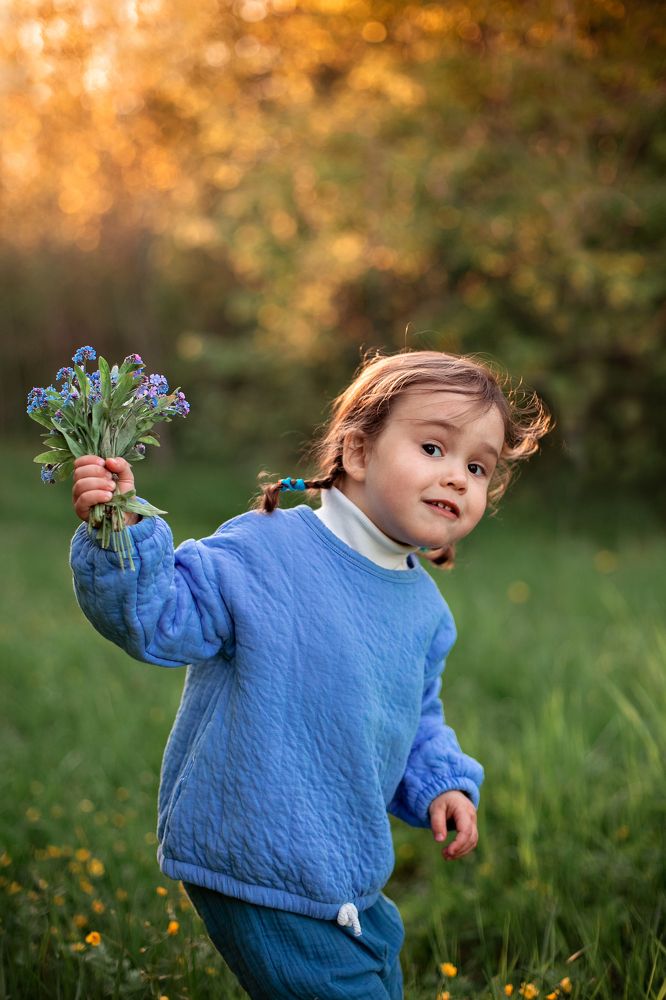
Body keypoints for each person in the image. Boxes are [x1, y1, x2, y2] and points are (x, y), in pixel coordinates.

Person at [69, 350, 551, 1000]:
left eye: (477, 467)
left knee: (379, 971)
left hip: (344, 862)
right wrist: (118, 533)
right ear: (356, 451)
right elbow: (158, 619)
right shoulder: (269, 551)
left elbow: (416, 714)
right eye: (434, 447)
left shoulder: (424, 610)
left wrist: (441, 783)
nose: (459, 478)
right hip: (258, 849)